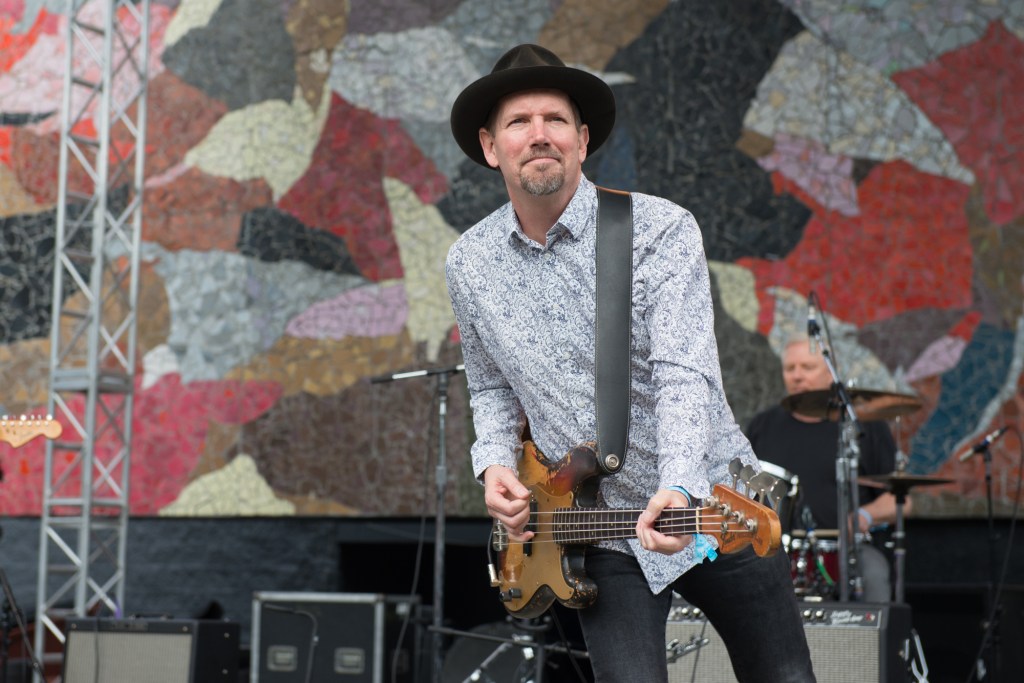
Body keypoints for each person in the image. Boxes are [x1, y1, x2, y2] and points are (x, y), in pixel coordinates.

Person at [445, 44, 816, 682]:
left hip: (714, 506)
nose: (540, 135)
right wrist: (495, 466)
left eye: (556, 120)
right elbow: (490, 386)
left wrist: (677, 485)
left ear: (582, 140)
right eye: (519, 122)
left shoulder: (659, 231)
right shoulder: (468, 264)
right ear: (489, 146)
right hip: (596, 527)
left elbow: (684, 372)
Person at [746, 336, 909, 602]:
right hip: (777, 549)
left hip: (849, 549)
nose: (797, 376)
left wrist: (865, 516)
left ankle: (872, 643)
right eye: (790, 368)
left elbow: (902, 499)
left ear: (831, 370)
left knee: (874, 573)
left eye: (807, 368)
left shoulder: (862, 426)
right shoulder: (762, 426)